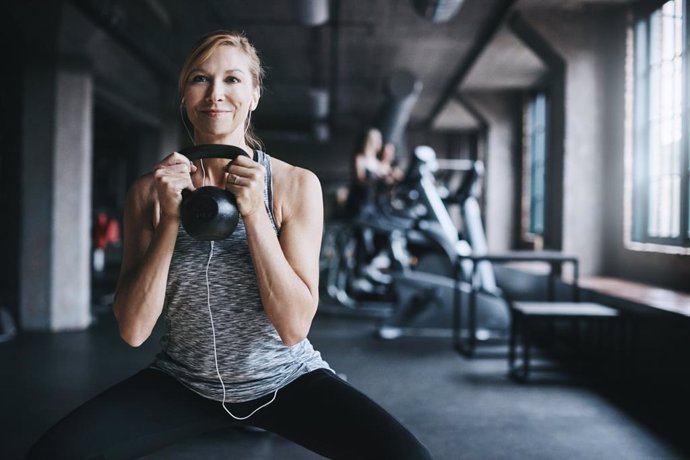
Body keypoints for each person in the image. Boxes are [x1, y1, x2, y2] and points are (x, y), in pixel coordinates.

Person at [27, 30, 432, 460]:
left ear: (255, 94)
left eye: (233, 80)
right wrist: (169, 220)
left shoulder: (295, 186)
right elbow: (133, 329)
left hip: (285, 380)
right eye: (200, 79)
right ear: (184, 94)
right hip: (183, 381)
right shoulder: (150, 191)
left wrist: (256, 213)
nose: (215, 94)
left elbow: (294, 327)